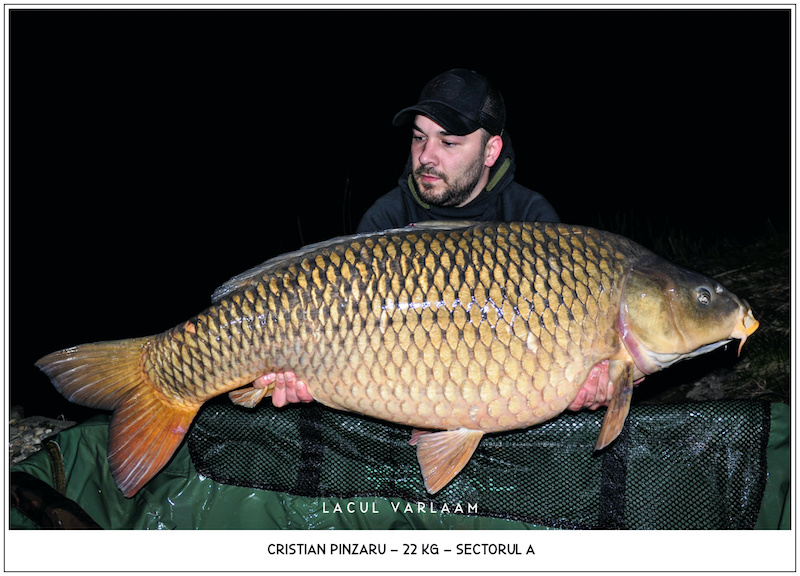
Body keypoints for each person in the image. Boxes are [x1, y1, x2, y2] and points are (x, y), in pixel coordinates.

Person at [253, 69, 610, 411]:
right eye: (419, 137)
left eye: (449, 142)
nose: (425, 156)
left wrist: (584, 379)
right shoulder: (386, 220)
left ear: (490, 151)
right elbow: (348, 345)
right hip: (396, 399)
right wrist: (308, 374)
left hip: (500, 406)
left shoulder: (532, 221)